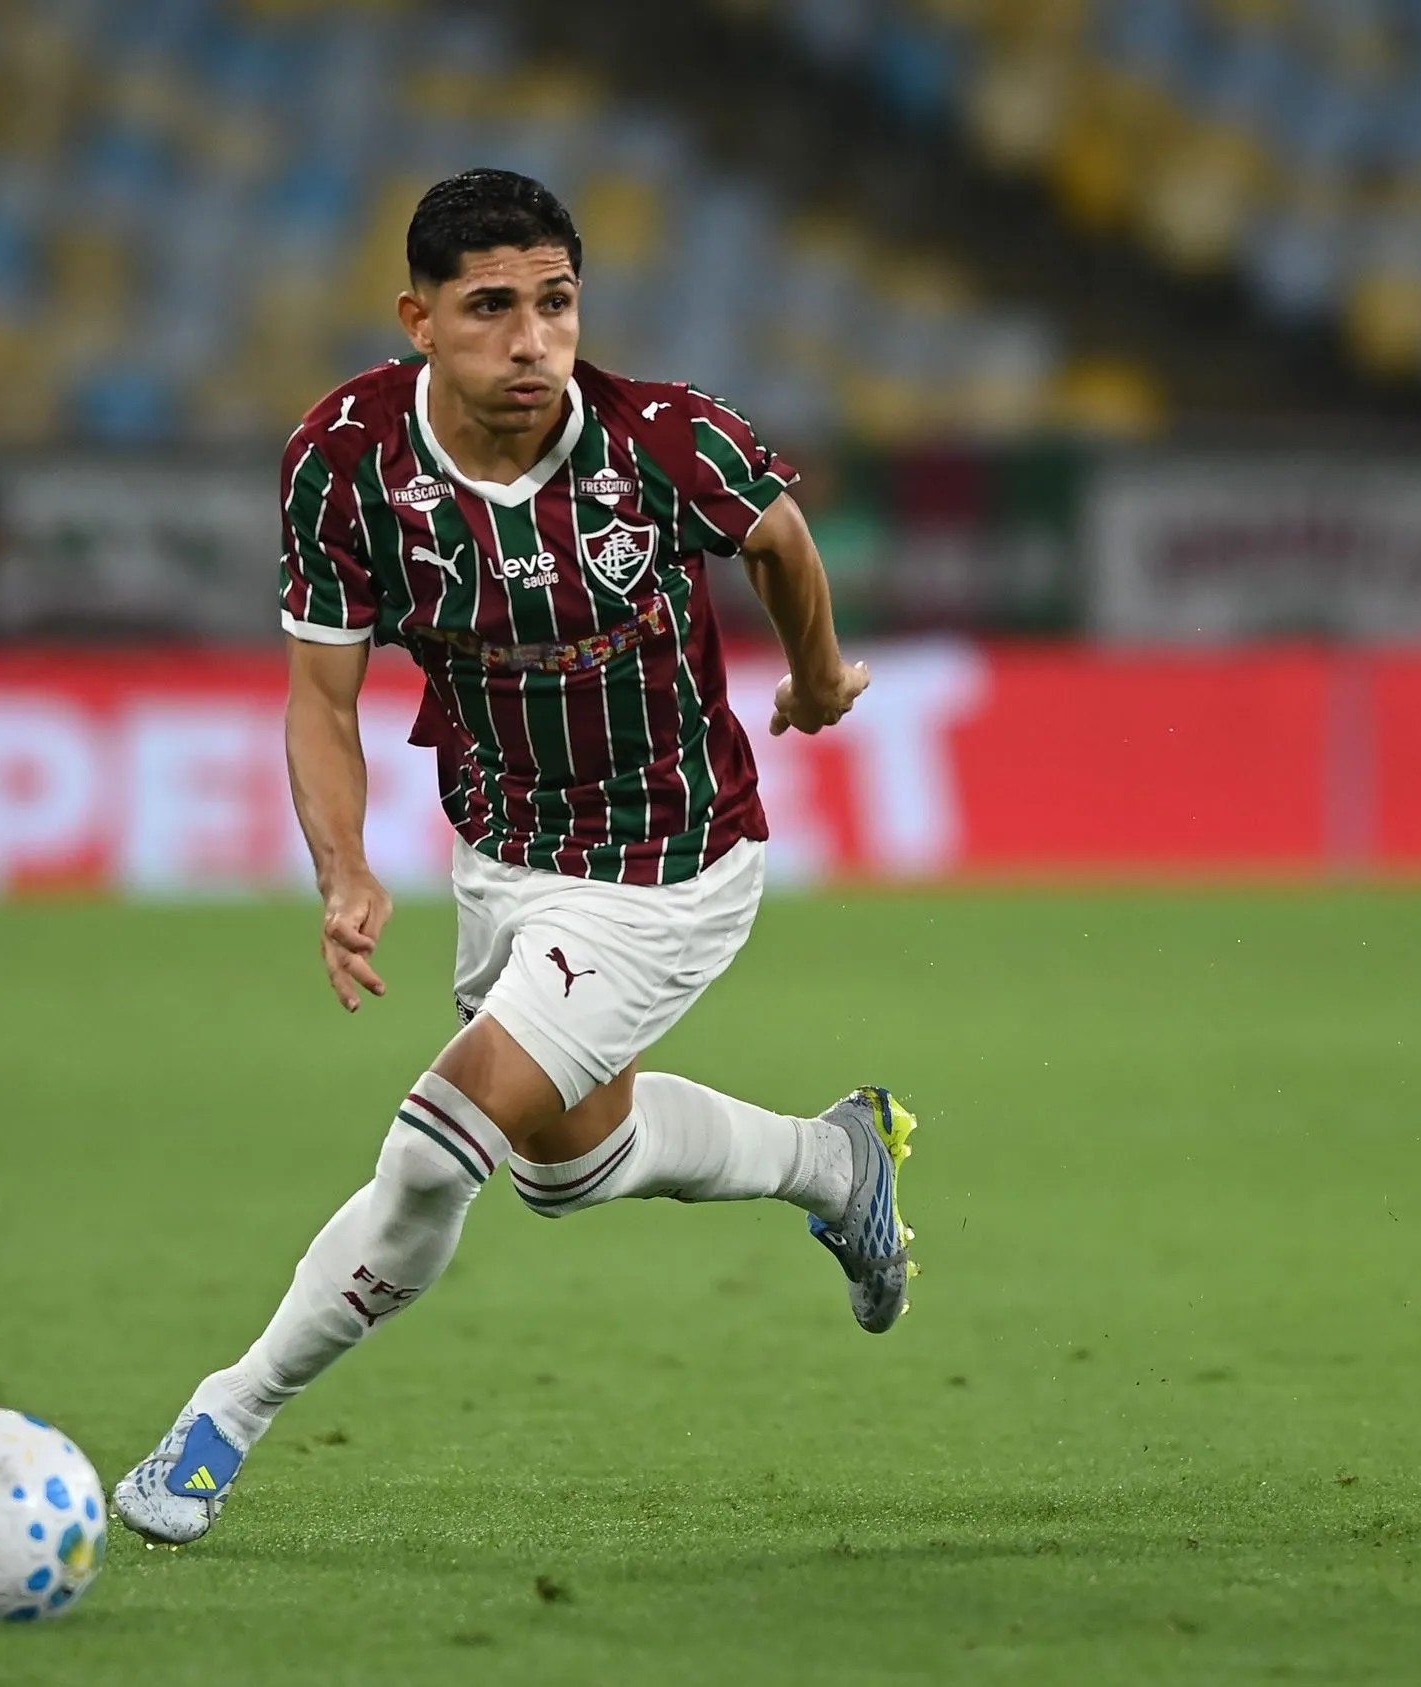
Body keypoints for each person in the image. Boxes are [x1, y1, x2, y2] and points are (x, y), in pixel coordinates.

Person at [112, 169, 914, 1547]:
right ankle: (834, 1163)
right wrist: (345, 867)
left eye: (555, 302)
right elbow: (320, 693)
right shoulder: (347, 458)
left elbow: (778, 537)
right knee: (565, 1160)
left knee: (437, 1147)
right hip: (506, 859)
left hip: (669, 862)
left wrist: (821, 669)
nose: (534, 337)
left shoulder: (660, 442)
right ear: (420, 318)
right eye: (493, 307)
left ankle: (219, 1421)